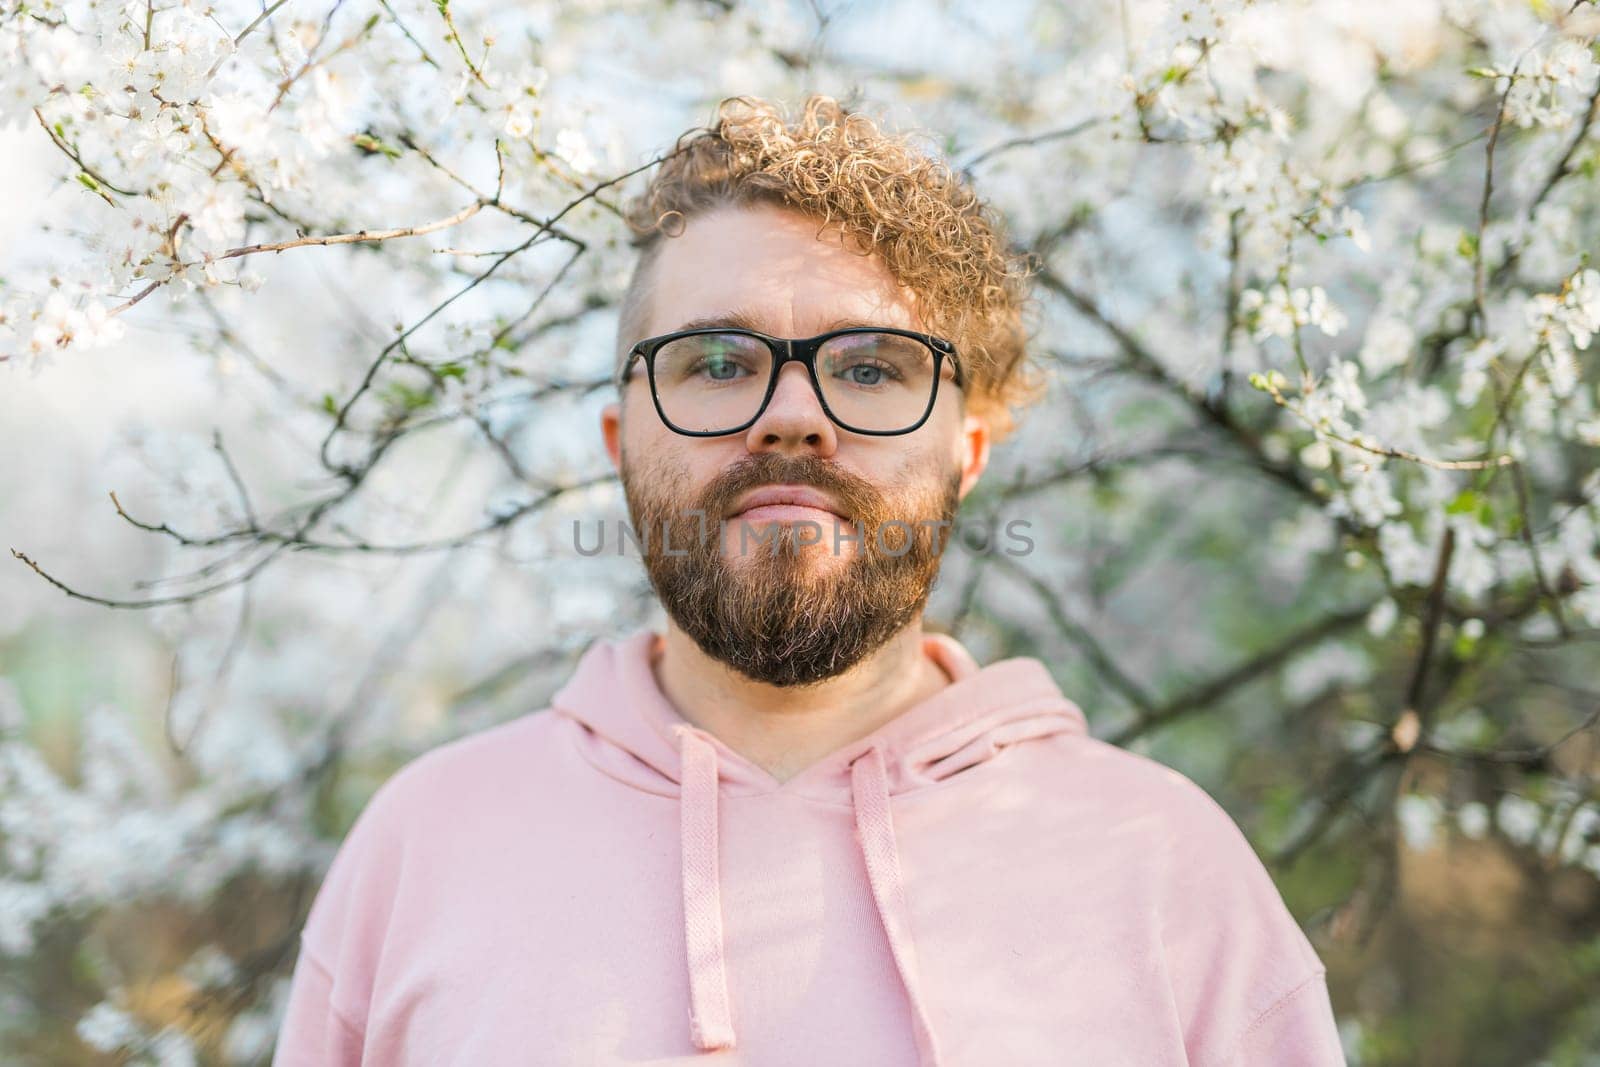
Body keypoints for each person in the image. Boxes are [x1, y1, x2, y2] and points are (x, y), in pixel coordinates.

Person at [271, 93, 1346, 1066]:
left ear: (967, 448)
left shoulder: (1161, 862)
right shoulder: (425, 847)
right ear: (619, 435)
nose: (794, 414)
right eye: (720, 362)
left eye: (870, 367)